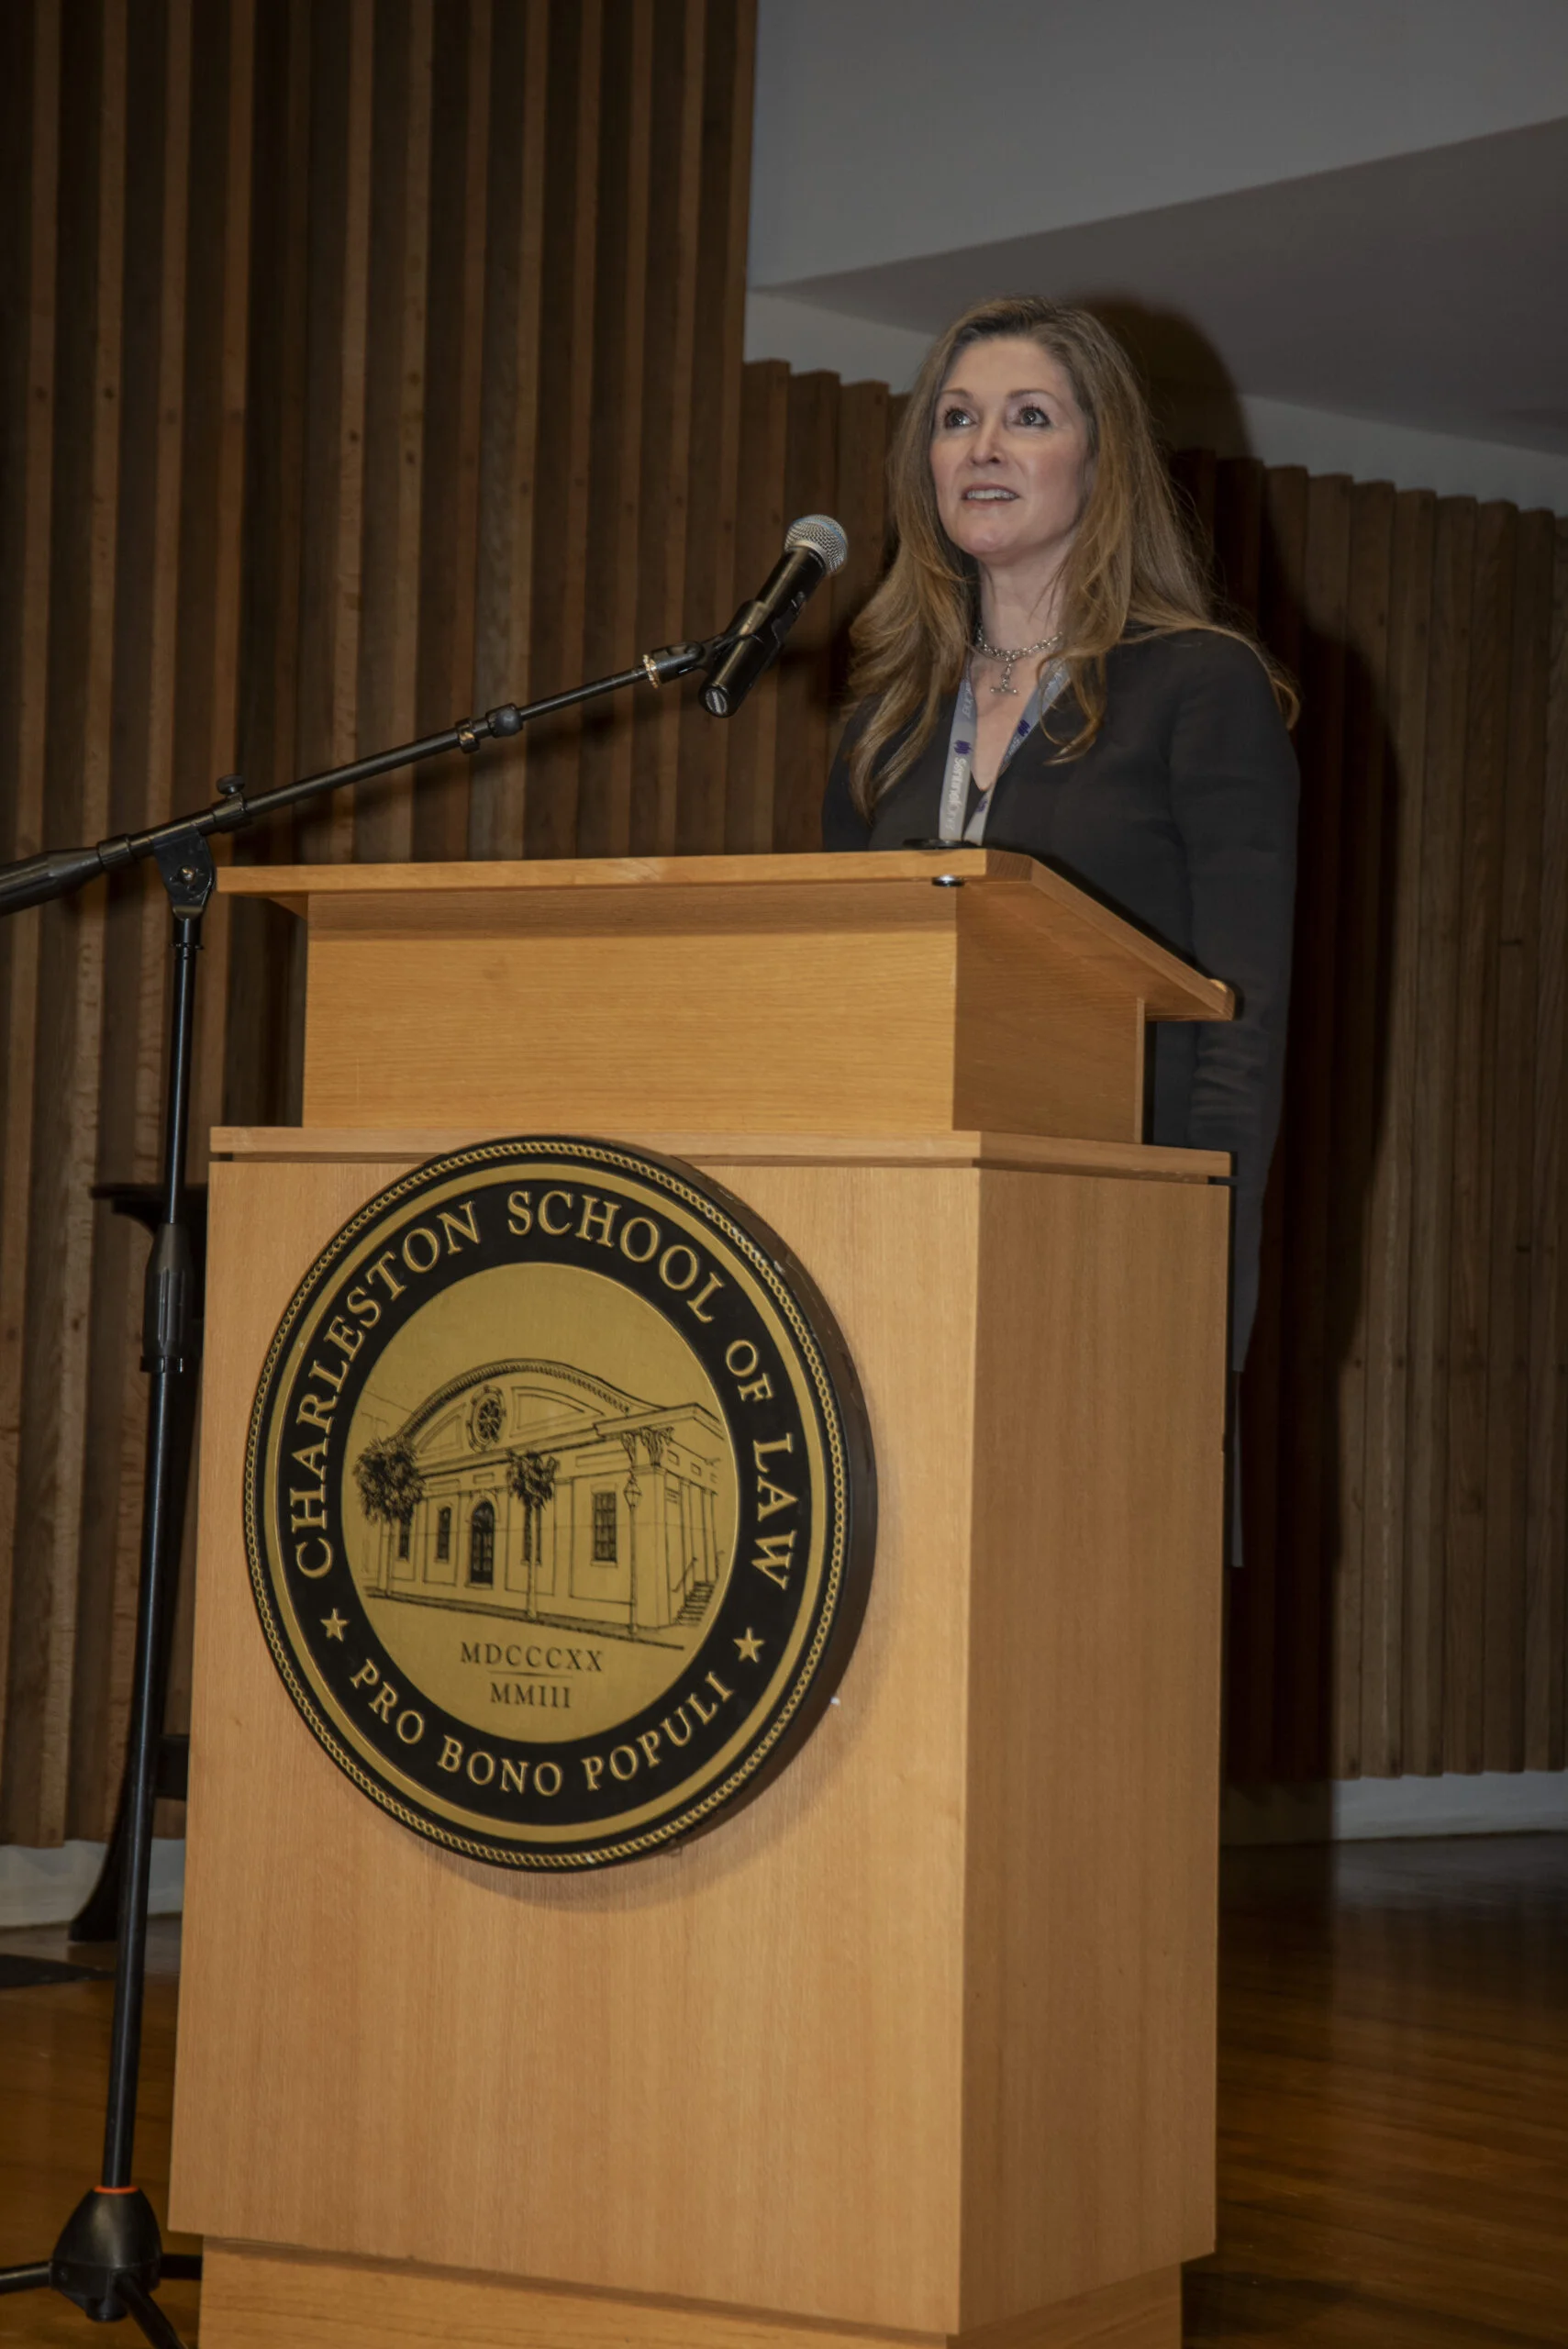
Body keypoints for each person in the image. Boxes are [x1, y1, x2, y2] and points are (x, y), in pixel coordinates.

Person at [822, 295, 1298, 1377]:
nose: (981, 446)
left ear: (1100, 460)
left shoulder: (1196, 686)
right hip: (908, 1227)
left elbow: (1239, 1025)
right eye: (955, 419)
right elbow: (848, 1004)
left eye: (1028, 416)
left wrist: (1198, 1263)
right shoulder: (885, 720)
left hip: (1115, 1220)